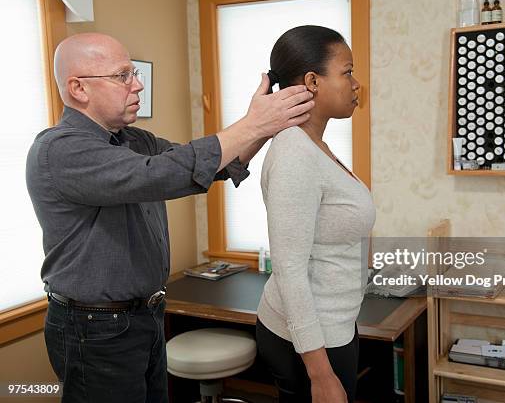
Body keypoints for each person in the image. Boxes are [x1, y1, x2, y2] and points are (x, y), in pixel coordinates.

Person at [25, 32, 314, 403]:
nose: (137, 84)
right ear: (79, 88)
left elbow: (209, 166)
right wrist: (254, 124)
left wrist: (263, 124)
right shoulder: (59, 150)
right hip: (93, 329)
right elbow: (159, 174)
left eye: (134, 74)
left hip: (144, 317)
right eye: (122, 76)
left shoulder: (133, 140)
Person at [255, 25, 376, 403]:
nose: (356, 84)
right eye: (347, 72)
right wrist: (320, 373)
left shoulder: (315, 145)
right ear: (312, 81)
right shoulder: (295, 152)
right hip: (310, 343)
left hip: (334, 326)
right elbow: (289, 269)